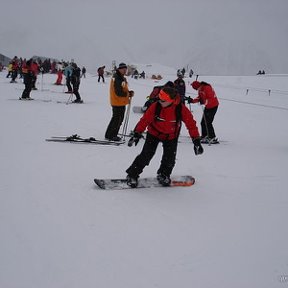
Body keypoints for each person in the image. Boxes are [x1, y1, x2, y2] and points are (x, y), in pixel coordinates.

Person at [126, 86, 203, 188]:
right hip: (154, 133)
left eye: (163, 100)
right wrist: (137, 133)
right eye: (159, 99)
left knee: (170, 158)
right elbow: (145, 120)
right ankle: (132, 175)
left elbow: (191, 124)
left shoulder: (180, 109)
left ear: (172, 100)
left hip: (171, 136)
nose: (160, 102)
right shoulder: (156, 106)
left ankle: (164, 175)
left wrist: (196, 140)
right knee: (146, 155)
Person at [105, 63, 134, 141]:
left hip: (119, 101)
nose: (125, 70)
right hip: (118, 102)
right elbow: (119, 92)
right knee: (118, 120)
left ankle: (109, 134)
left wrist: (128, 93)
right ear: (119, 69)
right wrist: (128, 94)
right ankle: (112, 135)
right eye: (123, 69)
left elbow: (122, 89)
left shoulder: (120, 77)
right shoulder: (118, 78)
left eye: (125, 69)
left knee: (116, 119)